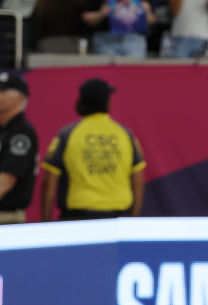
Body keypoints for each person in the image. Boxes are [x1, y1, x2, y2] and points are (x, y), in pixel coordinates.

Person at [40, 79, 146, 221]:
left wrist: (46, 222)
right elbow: (138, 181)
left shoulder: (67, 134)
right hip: (118, 218)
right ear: (107, 103)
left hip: (77, 218)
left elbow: (49, 182)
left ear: (81, 102)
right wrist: (132, 219)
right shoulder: (125, 134)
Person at [0, 71, 38, 224]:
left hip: (6, 217)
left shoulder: (21, 132)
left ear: (21, 97)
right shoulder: (5, 129)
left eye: (4, 91)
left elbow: (6, 181)